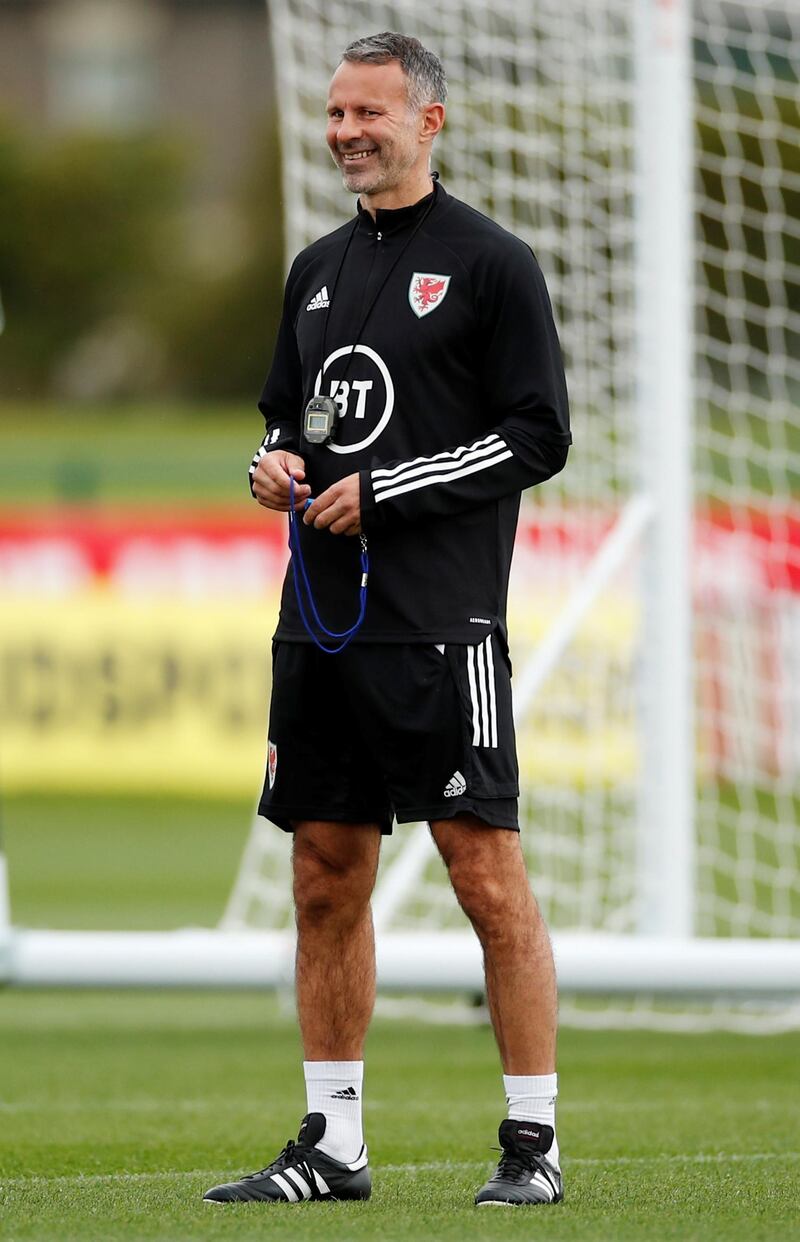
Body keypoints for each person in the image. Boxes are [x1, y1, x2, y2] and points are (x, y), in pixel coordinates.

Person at [204, 31, 570, 1209]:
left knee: (483, 874)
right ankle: (334, 1144)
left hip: (440, 626)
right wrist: (270, 464)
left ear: (429, 121)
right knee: (322, 873)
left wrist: (395, 488)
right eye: (334, 113)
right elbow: (284, 419)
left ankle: (531, 1145)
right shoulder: (314, 267)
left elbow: (536, 433)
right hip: (320, 622)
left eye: (368, 112)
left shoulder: (491, 264)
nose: (345, 132)